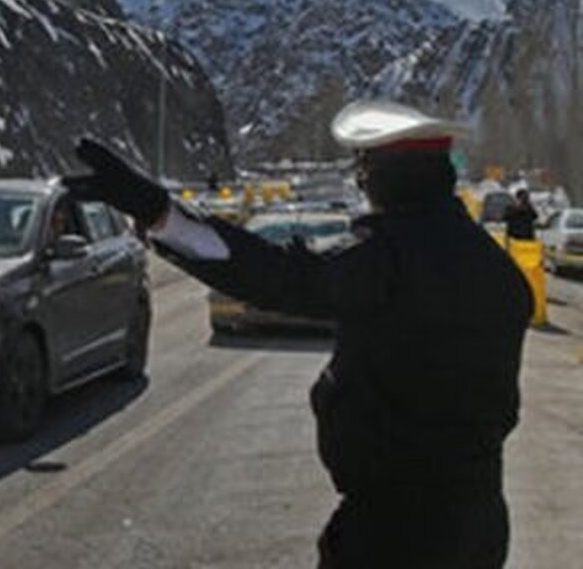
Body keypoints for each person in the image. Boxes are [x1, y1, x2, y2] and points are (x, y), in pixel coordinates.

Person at [66, 100, 531, 568]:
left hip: (396, 528)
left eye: (365, 167)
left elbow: (273, 274)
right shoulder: (497, 270)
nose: (360, 180)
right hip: (479, 519)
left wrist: (159, 211)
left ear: (394, 175)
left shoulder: (386, 259)